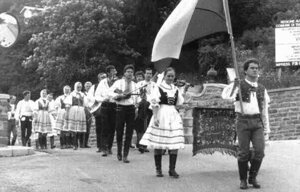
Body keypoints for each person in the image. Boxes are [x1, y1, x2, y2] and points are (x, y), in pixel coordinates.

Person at [222, 58, 270, 189]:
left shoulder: (261, 88)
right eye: (252, 68)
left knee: (260, 151)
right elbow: (227, 97)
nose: (255, 70)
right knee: (243, 152)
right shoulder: (239, 85)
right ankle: (243, 180)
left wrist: (266, 127)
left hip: (257, 122)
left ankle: (252, 177)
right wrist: (234, 85)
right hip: (243, 121)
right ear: (245, 71)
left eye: (256, 68)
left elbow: (265, 109)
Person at [140, 67, 185, 178]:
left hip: (173, 115)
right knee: (159, 141)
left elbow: (179, 103)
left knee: (174, 141)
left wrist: (184, 105)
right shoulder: (158, 87)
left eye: (172, 76)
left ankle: (172, 169)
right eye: (168, 76)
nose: (170, 78)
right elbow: (155, 103)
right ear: (164, 76)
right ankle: (158, 169)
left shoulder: (175, 89)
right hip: (161, 113)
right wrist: (155, 117)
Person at [109, 64, 138, 163]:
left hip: (131, 109)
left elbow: (138, 98)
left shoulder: (135, 85)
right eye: (128, 72)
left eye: (131, 72)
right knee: (119, 130)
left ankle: (126, 154)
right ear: (124, 73)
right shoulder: (118, 82)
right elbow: (110, 92)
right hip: (120, 108)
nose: (130, 74)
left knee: (129, 132)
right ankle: (119, 152)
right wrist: (119, 95)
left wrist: (137, 104)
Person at [95, 65, 118, 156]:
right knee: (105, 127)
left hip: (114, 106)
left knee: (112, 127)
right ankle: (104, 148)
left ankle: (109, 147)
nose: (114, 73)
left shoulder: (118, 82)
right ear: (108, 73)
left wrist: (115, 97)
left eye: (115, 71)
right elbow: (97, 95)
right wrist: (103, 99)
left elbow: (120, 93)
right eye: (112, 71)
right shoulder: (102, 82)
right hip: (105, 106)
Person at [135, 68, 156, 153]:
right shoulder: (139, 84)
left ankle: (144, 145)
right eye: (147, 73)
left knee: (147, 126)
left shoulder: (154, 85)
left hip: (150, 106)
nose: (149, 75)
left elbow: (155, 96)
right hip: (141, 106)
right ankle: (140, 144)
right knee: (140, 125)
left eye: (150, 74)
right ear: (145, 74)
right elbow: (136, 95)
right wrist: (136, 104)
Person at [65, 82, 87, 150]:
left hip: (80, 111)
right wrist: (67, 114)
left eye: (80, 87)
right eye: (77, 87)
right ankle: (75, 144)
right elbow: (68, 105)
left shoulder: (83, 95)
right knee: (73, 129)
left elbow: (85, 104)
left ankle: (80, 143)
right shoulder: (71, 94)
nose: (79, 88)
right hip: (73, 111)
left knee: (79, 129)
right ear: (75, 87)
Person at [89, 72, 107, 153]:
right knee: (99, 128)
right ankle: (99, 146)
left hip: (107, 108)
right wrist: (96, 100)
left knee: (107, 128)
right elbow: (89, 97)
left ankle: (106, 146)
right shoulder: (94, 86)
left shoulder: (109, 85)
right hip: (98, 109)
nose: (103, 79)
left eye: (104, 77)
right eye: (102, 77)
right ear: (99, 79)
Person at [83, 81, 93, 148]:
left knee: (88, 128)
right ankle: (81, 143)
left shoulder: (93, 94)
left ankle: (85, 143)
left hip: (91, 111)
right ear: (84, 87)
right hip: (83, 111)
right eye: (87, 86)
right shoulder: (82, 94)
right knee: (82, 127)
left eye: (89, 86)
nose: (88, 87)